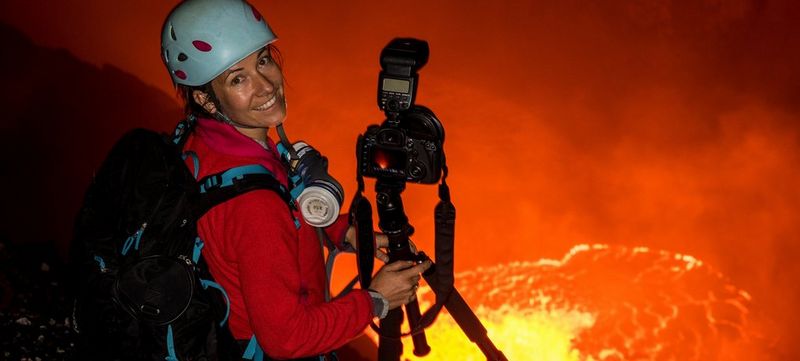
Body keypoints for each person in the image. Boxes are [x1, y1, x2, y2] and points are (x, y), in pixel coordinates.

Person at [160, 0, 431, 359]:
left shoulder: (209, 144)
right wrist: (376, 300)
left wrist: (344, 231)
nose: (266, 85)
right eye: (237, 78)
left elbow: (275, 210)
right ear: (206, 99)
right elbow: (288, 339)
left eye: (263, 60)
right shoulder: (254, 207)